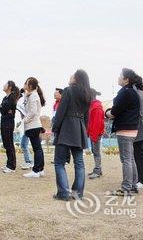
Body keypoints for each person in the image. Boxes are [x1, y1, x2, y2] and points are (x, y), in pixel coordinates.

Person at [52, 70, 92, 201]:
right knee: (79, 163)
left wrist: (55, 127)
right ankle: (78, 193)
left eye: (73, 75)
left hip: (66, 128)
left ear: (76, 78)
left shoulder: (68, 90)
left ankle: (63, 193)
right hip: (79, 129)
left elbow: (61, 111)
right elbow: (87, 116)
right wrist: (84, 130)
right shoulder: (88, 94)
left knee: (59, 162)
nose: (70, 76)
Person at [106, 68, 140, 196]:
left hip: (125, 129)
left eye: (121, 75)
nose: (119, 77)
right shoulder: (132, 92)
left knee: (126, 159)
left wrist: (107, 113)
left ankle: (126, 188)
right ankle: (133, 185)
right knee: (130, 158)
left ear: (126, 79)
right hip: (132, 129)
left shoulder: (125, 92)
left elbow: (115, 111)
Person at [22, 77, 46, 178]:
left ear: (30, 86)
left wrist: (24, 120)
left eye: (26, 83)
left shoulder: (33, 96)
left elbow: (32, 111)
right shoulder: (32, 95)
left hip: (33, 125)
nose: (25, 85)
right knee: (38, 149)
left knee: (37, 149)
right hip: (34, 125)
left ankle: (36, 170)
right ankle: (40, 169)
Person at [0, 81, 19, 173]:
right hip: (3, 120)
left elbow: (5, 108)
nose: (3, 85)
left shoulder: (12, 97)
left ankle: (12, 166)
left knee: (9, 143)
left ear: (10, 87)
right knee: (6, 143)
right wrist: (4, 108)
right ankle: (9, 163)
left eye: (5, 84)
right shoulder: (5, 97)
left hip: (9, 122)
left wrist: (4, 108)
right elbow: (2, 109)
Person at [87, 89, 105, 179]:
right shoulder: (93, 106)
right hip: (93, 133)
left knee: (96, 152)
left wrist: (93, 136)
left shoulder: (96, 107)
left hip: (96, 134)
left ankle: (97, 170)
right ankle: (98, 170)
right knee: (95, 152)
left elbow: (97, 123)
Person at [16, 88, 33, 170]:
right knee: (24, 144)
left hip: (30, 124)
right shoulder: (23, 101)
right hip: (28, 124)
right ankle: (29, 161)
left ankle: (29, 162)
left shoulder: (22, 101)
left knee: (24, 144)